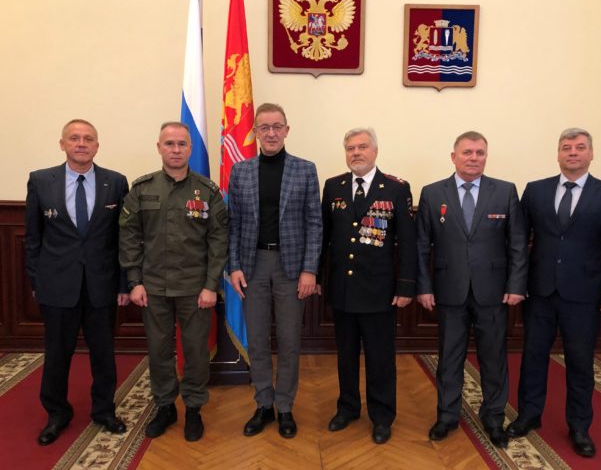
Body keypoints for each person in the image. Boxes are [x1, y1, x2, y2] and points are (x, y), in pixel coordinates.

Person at [506, 128, 601, 458]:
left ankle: (579, 426)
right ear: (558, 154)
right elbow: (518, 242)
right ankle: (528, 415)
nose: (573, 152)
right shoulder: (535, 191)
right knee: (533, 357)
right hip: (540, 292)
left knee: (580, 362)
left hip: (584, 295)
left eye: (579, 147)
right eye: (566, 147)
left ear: (591, 154)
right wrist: (516, 284)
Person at [416, 131, 527, 449]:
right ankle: (447, 416)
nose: (474, 158)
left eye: (480, 152)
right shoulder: (432, 193)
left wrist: (516, 284)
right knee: (449, 357)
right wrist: (424, 286)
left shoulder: (505, 191)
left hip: (493, 291)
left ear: (486, 157)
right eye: (467, 152)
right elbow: (421, 246)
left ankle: (493, 417)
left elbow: (518, 243)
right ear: (454, 157)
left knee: (494, 357)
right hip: (449, 290)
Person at [119, 122, 228, 442]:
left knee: (195, 352)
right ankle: (165, 406)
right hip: (152, 287)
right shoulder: (142, 189)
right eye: (169, 144)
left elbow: (218, 240)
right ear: (159, 147)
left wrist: (211, 285)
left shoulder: (207, 191)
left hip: (195, 289)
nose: (176, 149)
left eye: (182, 144)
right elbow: (129, 237)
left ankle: (193, 407)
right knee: (158, 351)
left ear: (191, 149)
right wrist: (134, 281)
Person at [25, 119, 129, 445]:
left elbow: (123, 239)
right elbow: (33, 238)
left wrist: (124, 284)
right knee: (57, 354)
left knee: (103, 354)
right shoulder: (41, 181)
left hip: (102, 285)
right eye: (74, 138)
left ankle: (104, 411)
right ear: (63, 144)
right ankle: (57, 413)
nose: (81, 143)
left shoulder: (116, 182)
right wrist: (37, 281)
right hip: (57, 286)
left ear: (97, 145)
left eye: (88, 139)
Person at [228, 103, 322, 439]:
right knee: (257, 340)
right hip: (252, 265)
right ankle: (263, 404)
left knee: (289, 340)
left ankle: (285, 407)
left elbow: (314, 222)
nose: (271, 133)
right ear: (255, 132)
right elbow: (233, 223)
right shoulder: (240, 171)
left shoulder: (305, 169)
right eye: (264, 127)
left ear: (286, 130)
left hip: (290, 267)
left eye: (277, 126)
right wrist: (233, 266)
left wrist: (310, 269)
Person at [320, 127, 416, 445]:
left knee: (380, 358)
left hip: (379, 291)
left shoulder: (396, 188)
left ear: (375, 151)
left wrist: (405, 287)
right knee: (345, 356)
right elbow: (324, 237)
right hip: (344, 289)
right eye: (350, 148)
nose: (356, 153)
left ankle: (382, 415)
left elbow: (408, 243)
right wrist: (319, 278)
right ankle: (347, 408)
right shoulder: (333, 186)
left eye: (362, 147)